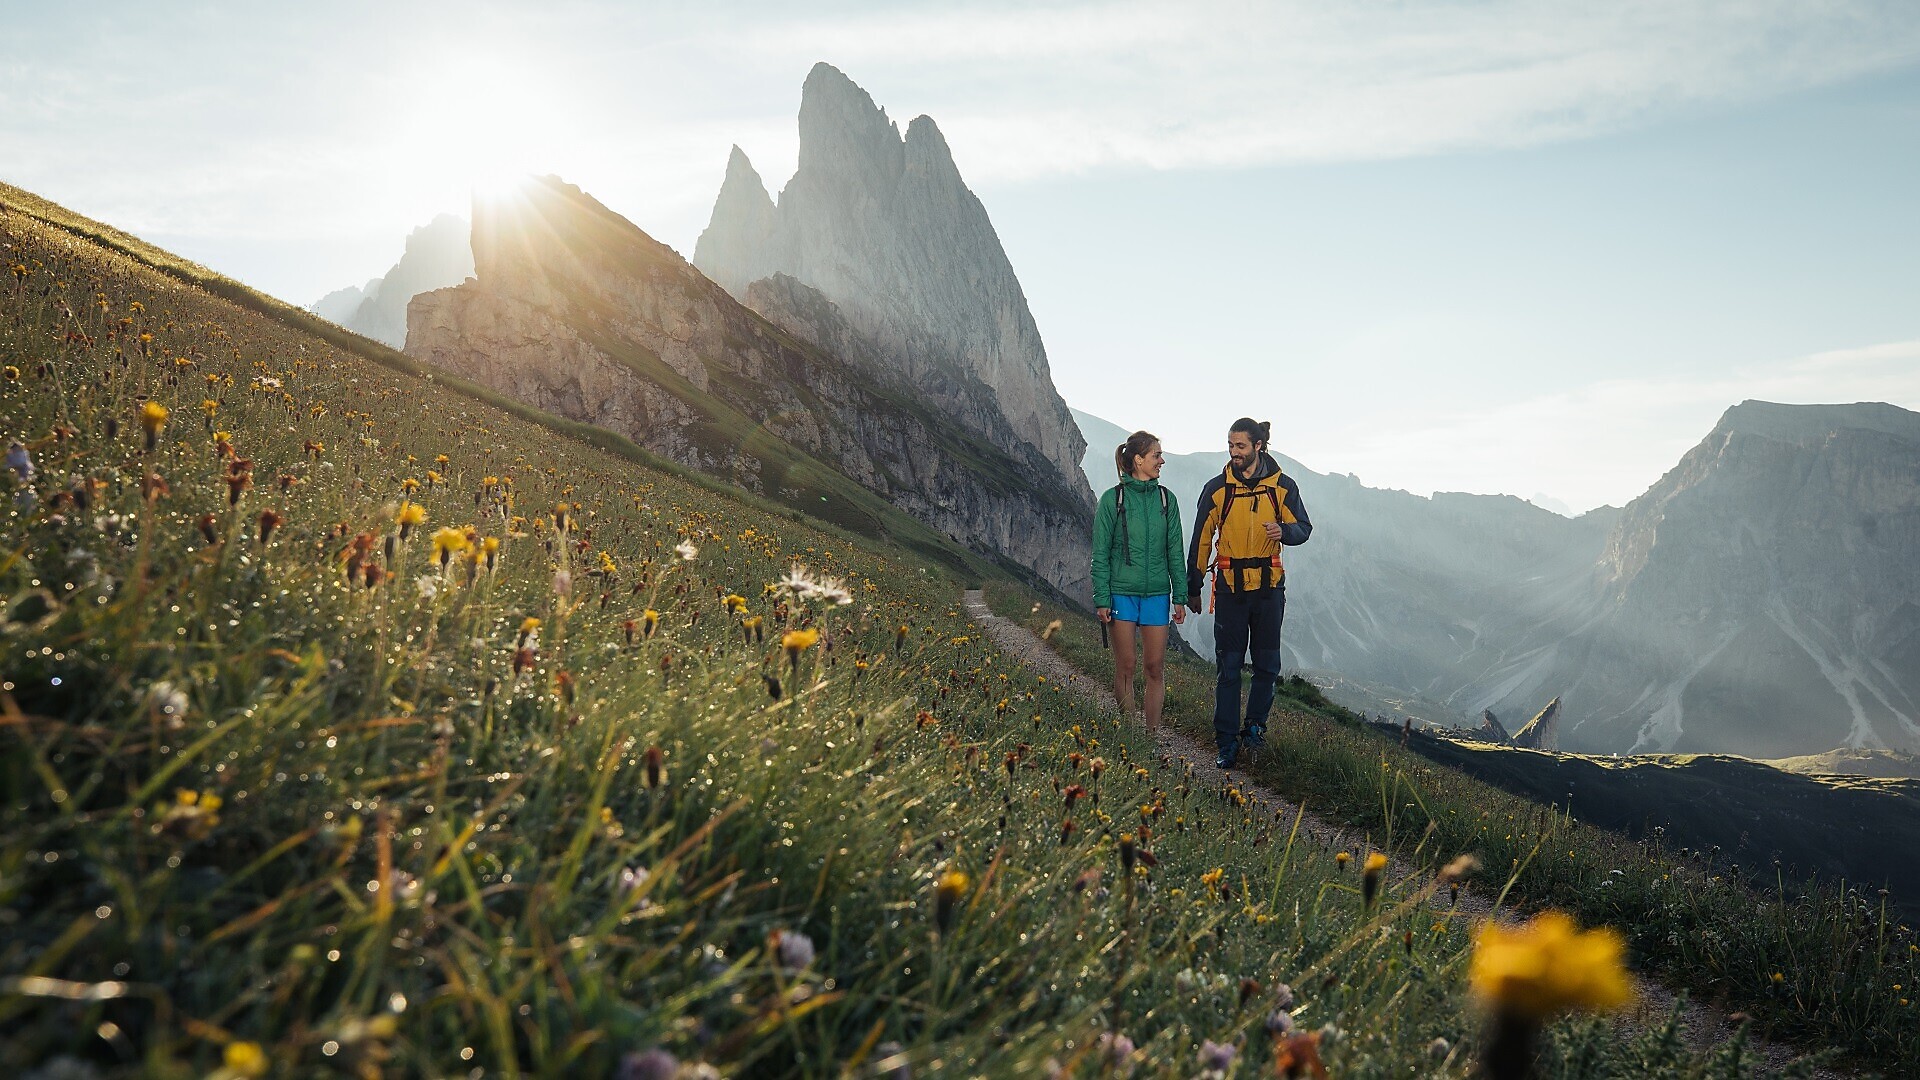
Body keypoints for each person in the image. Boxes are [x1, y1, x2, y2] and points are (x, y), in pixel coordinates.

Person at [1186, 418, 1312, 769]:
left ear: (1258, 446)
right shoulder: (1217, 489)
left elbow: (1304, 528)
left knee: (1267, 666)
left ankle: (1254, 728)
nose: (1234, 453)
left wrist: (1283, 530)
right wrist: (1192, 587)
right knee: (1228, 668)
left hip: (1269, 589)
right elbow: (1200, 540)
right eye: (1230, 445)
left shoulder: (1283, 487)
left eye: (1240, 446)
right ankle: (1226, 742)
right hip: (1229, 590)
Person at [1091, 431, 1187, 732]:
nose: (1162, 460)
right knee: (1127, 665)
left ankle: (1151, 738)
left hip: (1157, 594)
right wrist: (1102, 599)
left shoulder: (1166, 500)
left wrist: (1180, 596)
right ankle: (1130, 734)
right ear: (1138, 460)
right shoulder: (1112, 499)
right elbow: (1101, 553)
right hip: (1121, 594)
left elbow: (1175, 550)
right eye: (1156, 455)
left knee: (1154, 667)